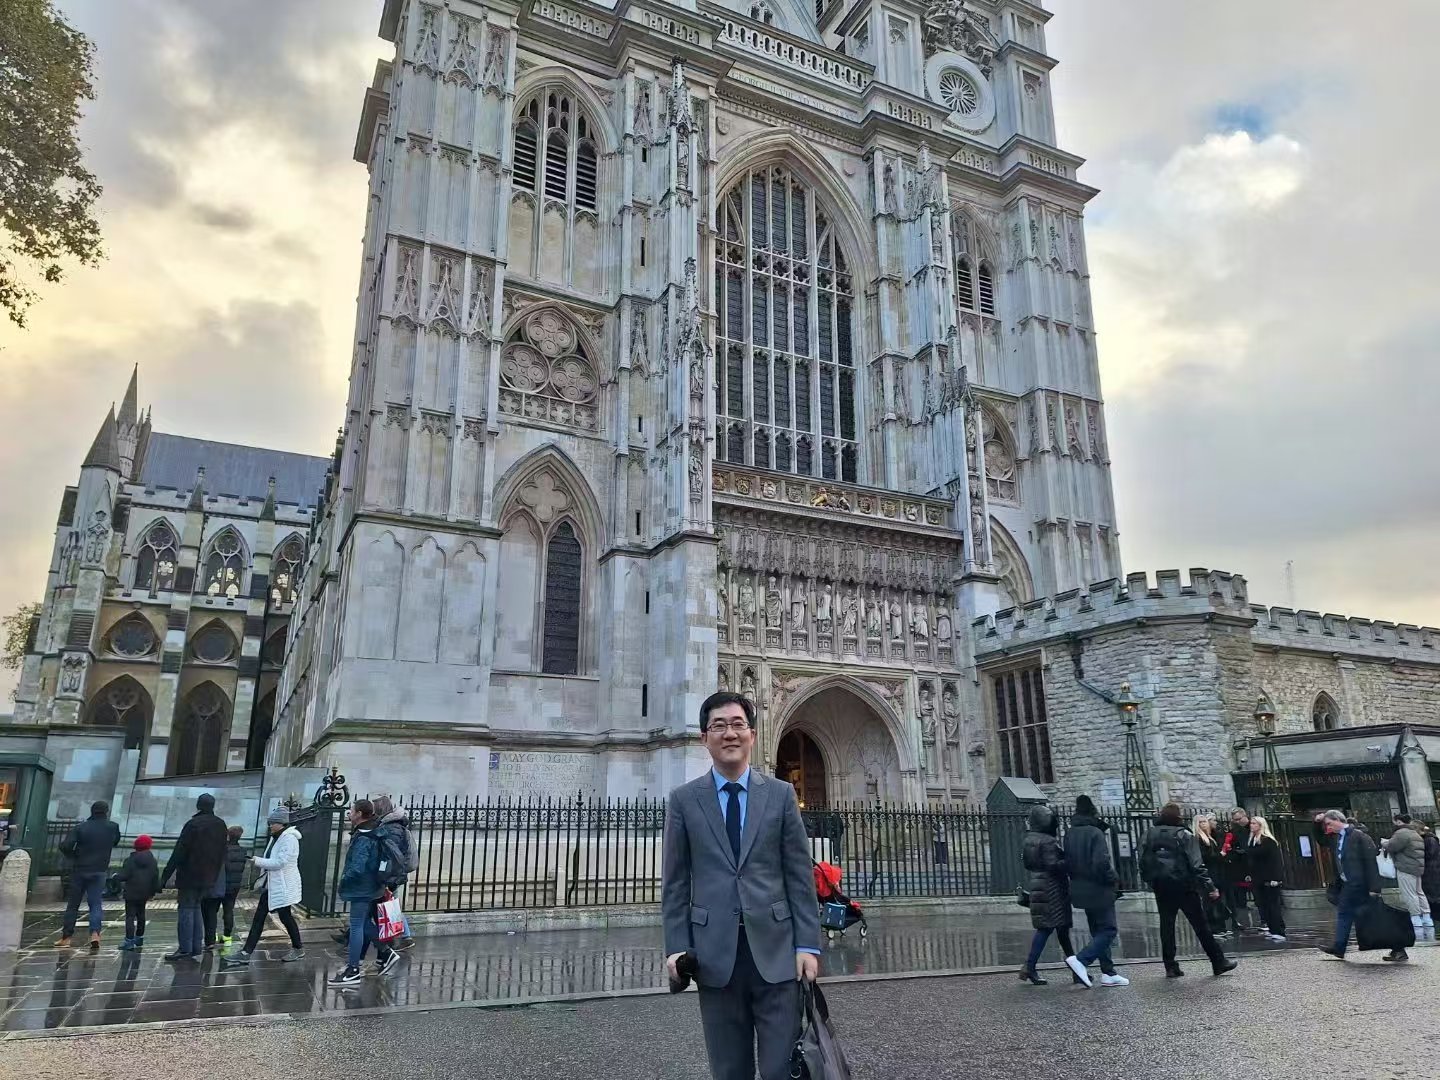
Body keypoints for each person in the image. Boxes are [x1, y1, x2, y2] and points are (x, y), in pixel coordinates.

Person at [661, 691, 819, 1080]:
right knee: (729, 1070)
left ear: (752, 734)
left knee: (781, 1069)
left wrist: (808, 946)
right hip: (715, 956)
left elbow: (799, 876)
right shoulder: (683, 800)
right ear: (704, 737)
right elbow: (676, 882)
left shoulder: (781, 795)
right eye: (718, 726)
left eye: (737, 724)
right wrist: (677, 949)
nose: (729, 733)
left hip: (778, 951)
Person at [1139, 802, 1236, 978]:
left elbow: (1142, 859)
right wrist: (1210, 886)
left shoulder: (1149, 834)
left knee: (1166, 926)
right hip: (1184, 885)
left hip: (1161, 885)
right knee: (1200, 925)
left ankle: (1170, 965)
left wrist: (1150, 880)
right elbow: (1197, 864)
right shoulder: (1184, 834)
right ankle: (1218, 961)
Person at [328, 799, 400, 986]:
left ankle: (353, 970)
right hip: (373, 885)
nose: (349, 814)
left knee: (357, 925)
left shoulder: (365, 836)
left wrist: (345, 879)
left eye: (351, 811)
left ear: (359, 814)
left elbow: (357, 866)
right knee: (363, 923)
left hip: (362, 887)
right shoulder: (376, 829)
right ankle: (381, 953)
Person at [225, 808, 305, 965]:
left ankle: (247, 952)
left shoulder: (289, 839)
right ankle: (297, 948)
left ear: (280, 823)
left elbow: (280, 862)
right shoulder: (277, 837)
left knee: (268, 917)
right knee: (281, 917)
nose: (269, 825)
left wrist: (256, 860)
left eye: (272, 823)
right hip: (274, 885)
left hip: (282, 885)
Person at [1065, 796, 1128, 987]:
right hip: (1099, 888)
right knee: (1109, 929)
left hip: (1079, 887)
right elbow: (1101, 862)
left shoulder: (1069, 833)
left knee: (1097, 931)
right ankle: (1082, 960)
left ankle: (1108, 972)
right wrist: (1113, 878)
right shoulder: (1095, 832)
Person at [1313, 809, 1390, 961]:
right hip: (1348, 884)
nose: (1327, 827)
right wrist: (1317, 823)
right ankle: (1339, 947)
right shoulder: (1336, 838)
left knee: (1374, 918)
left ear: (1338, 820)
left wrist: (1375, 888)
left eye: (1329, 823)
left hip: (1361, 884)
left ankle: (1398, 947)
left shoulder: (1360, 837)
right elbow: (1321, 839)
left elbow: (1370, 863)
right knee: (1345, 913)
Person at [160, 793, 229, 962]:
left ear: (198, 806)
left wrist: (163, 878)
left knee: (186, 909)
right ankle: (196, 946)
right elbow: (222, 852)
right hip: (209, 876)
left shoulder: (193, 824)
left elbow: (179, 852)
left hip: (190, 874)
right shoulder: (221, 825)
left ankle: (185, 948)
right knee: (197, 908)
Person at [1018, 804, 1081, 986]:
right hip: (1052, 889)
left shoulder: (1030, 839)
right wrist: (1069, 861)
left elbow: (1030, 864)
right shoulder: (1047, 841)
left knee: (1061, 931)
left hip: (1039, 884)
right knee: (1047, 929)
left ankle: (1076, 971)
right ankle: (1029, 966)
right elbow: (1053, 866)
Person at [56, 800, 121, 949]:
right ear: (106, 811)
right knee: (95, 904)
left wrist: (74, 855)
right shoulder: (112, 827)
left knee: (73, 905)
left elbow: (66, 846)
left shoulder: (81, 827)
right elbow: (115, 842)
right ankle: (95, 934)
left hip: (80, 868)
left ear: (92, 811)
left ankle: (66, 937)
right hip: (99, 869)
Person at [372, 795, 418, 950]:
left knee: (391, 906)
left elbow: (391, 855)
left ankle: (400, 938)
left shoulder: (392, 828)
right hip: (394, 873)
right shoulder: (392, 825)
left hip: (391, 874)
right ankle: (405, 937)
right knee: (392, 905)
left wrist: (385, 876)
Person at [1382, 814, 1433, 932]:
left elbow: (1392, 846)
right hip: (1417, 867)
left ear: (1398, 821)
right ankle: (1426, 917)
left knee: (1410, 894)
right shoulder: (1414, 833)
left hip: (1405, 867)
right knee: (1419, 892)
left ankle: (1416, 919)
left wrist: (1384, 843)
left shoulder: (1402, 833)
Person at [204, 826, 249, 949]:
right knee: (229, 910)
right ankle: (227, 936)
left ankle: (211, 937)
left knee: (212, 910)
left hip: (220, 884)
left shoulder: (223, 850)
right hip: (234, 885)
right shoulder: (243, 851)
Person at [115, 834, 160, 950]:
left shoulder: (130, 860)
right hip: (144, 892)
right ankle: (139, 937)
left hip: (131, 892)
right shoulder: (153, 861)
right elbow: (155, 876)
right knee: (141, 915)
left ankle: (129, 941)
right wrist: (153, 892)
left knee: (130, 916)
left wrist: (116, 877)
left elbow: (125, 875)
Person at [1246, 815, 1287, 942]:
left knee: (1273, 905)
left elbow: (1276, 861)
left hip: (1269, 878)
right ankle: (1272, 928)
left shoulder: (1268, 841)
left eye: (1254, 823)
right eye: (1251, 823)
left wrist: (1276, 878)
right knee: (1263, 905)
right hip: (1258, 878)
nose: (1251, 825)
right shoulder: (1253, 841)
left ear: (1260, 825)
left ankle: (1279, 930)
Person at [1193, 812, 1229, 936]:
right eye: (1201, 822)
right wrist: (1219, 855)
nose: (1204, 824)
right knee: (1209, 900)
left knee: (1217, 900)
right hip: (1207, 872)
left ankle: (1220, 926)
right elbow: (1204, 856)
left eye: (1205, 821)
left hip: (1215, 871)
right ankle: (1213, 927)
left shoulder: (1209, 838)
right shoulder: (1198, 838)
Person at [1219, 807, 1253, 932]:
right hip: (1239, 866)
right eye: (1235, 820)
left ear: (1245, 816)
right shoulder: (1233, 832)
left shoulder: (1253, 827)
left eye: (1239, 819)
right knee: (1240, 895)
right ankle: (1241, 920)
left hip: (1253, 864)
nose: (1237, 821)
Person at [1419, 823, 1440, 920]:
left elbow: (1430, 854)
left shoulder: (1429, 840)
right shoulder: (1431, 839)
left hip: (1431, 870)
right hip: (1432, 870)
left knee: (1432, 895)